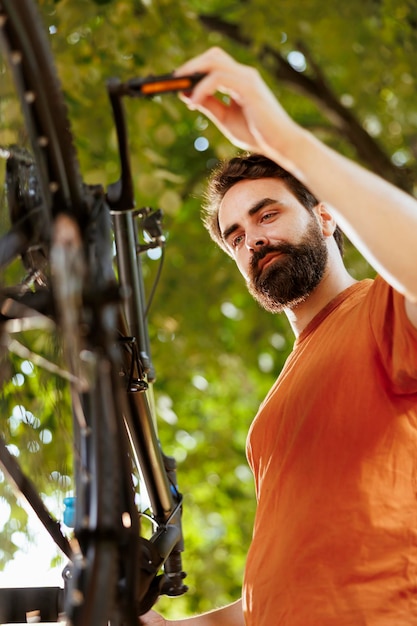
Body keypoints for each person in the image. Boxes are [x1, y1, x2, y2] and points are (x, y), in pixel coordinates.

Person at [141, 47, 417, 625]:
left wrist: (284, 139)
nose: (252, 241)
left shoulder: (383, 308)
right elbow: (277, 593)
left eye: (267, 215)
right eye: (236, 236)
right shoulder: (269, 419)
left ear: (325, 216)